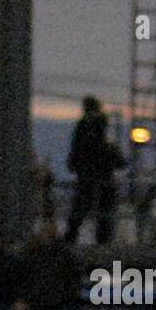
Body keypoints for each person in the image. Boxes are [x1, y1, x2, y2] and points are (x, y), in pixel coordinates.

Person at [64, 97, 125, 245]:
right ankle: (101, 243)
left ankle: (71, 241)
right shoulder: (104, 143)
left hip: (87, 180)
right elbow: (120, 163)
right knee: (102, 217)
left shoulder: (82, 132)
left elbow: (72, 163)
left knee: (80, 213)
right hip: (100, 181)